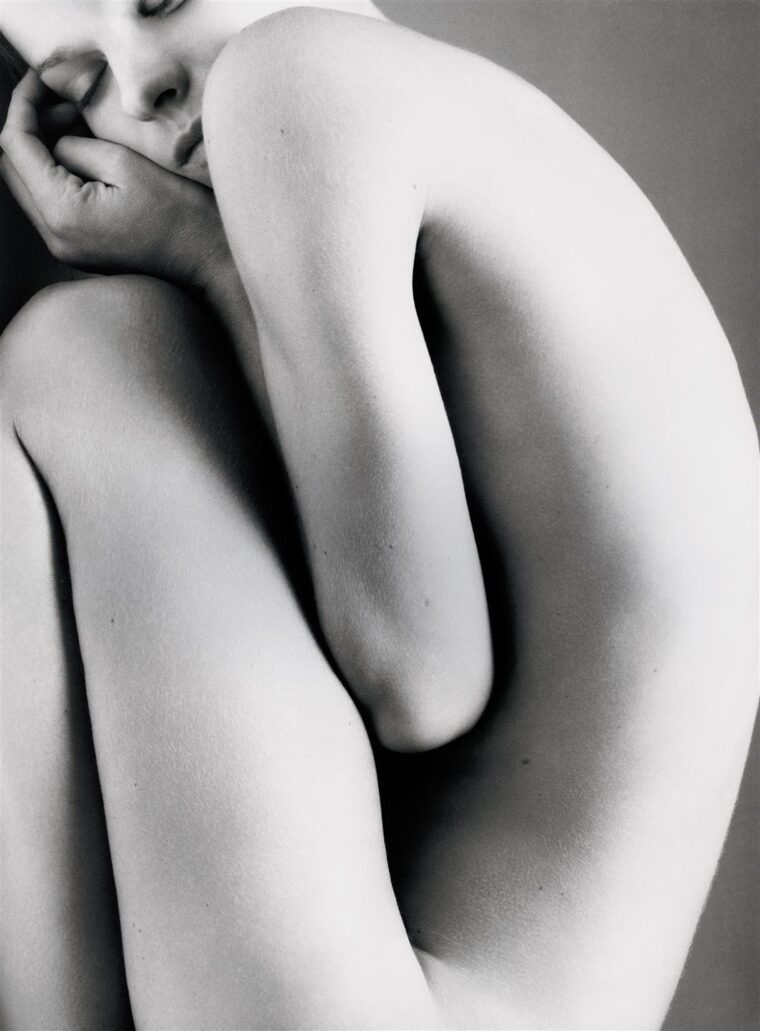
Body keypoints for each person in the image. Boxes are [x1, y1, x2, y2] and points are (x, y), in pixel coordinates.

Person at [0, 1, 756, 1027]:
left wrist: (203, 255)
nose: (141, 86)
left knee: (88, 348)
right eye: (81, 77)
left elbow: (421, 682)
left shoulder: (297, 81)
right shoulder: (468, 128)